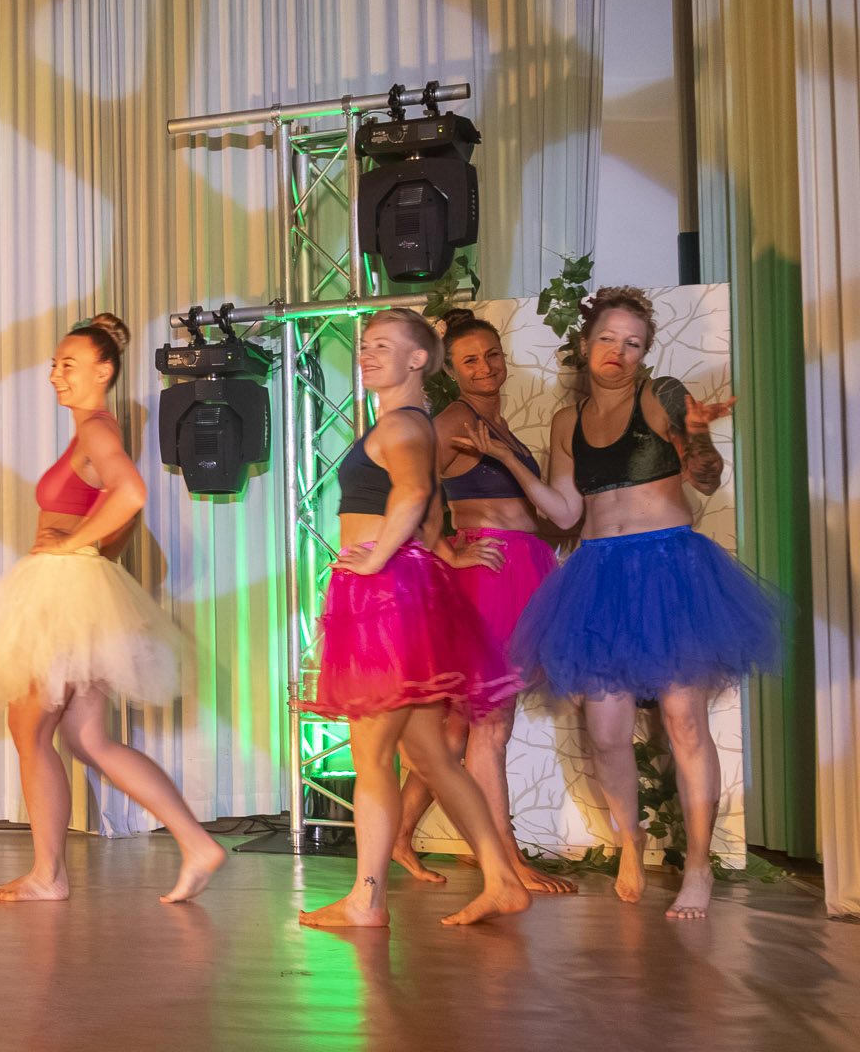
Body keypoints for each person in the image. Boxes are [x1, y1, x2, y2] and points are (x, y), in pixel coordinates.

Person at [507, 286, 778, 919]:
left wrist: (698, 439)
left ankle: (698, 865)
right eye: (607, 338)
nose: (618, 351)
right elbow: (567, 514)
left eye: (633, 343)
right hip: (600, 575)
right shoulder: (567, 422)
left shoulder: (662, 396)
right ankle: (631, 843)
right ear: (585, 345)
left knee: (685, 723)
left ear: (645, 353)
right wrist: (510, 466)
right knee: (605, 733)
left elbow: (704, 475)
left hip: (670, 570)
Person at [0, 313, 228, 904]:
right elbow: (119, 511)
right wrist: (92, 552)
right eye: (54, 364)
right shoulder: (92, 433)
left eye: (69, 364)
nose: (56, 374)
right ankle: (196, 843)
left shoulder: (99, 430)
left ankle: (48, 875)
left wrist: (72, 546)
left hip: (62, 593)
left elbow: (132, 494)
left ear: (103, 372)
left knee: (30, 729)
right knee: (87, 737)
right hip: (76, 594)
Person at [297, 307, 532, 928]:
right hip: (404, 591)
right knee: (432, 756)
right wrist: (440, 552)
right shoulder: (412, 422)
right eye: (365, 344)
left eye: (383, 344)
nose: (367, 353)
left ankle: (366, 900)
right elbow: (428, 514)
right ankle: (502, 879)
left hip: (385, 598)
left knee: (373, 756)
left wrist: (376, 562)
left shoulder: (402, 423)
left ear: (418, 359)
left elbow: (414, 493)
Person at [387, 310, 574, 895]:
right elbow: (409, 490)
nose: (485, 366)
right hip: (488, 575)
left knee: (456, 731)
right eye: (470, 359)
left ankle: (398, 835)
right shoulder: (452, 421)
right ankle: (507, 860)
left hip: (521, 573)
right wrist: (448, 550)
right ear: (452, 370)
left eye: (492, 354)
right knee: (490, 726)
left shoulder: (497, 425)